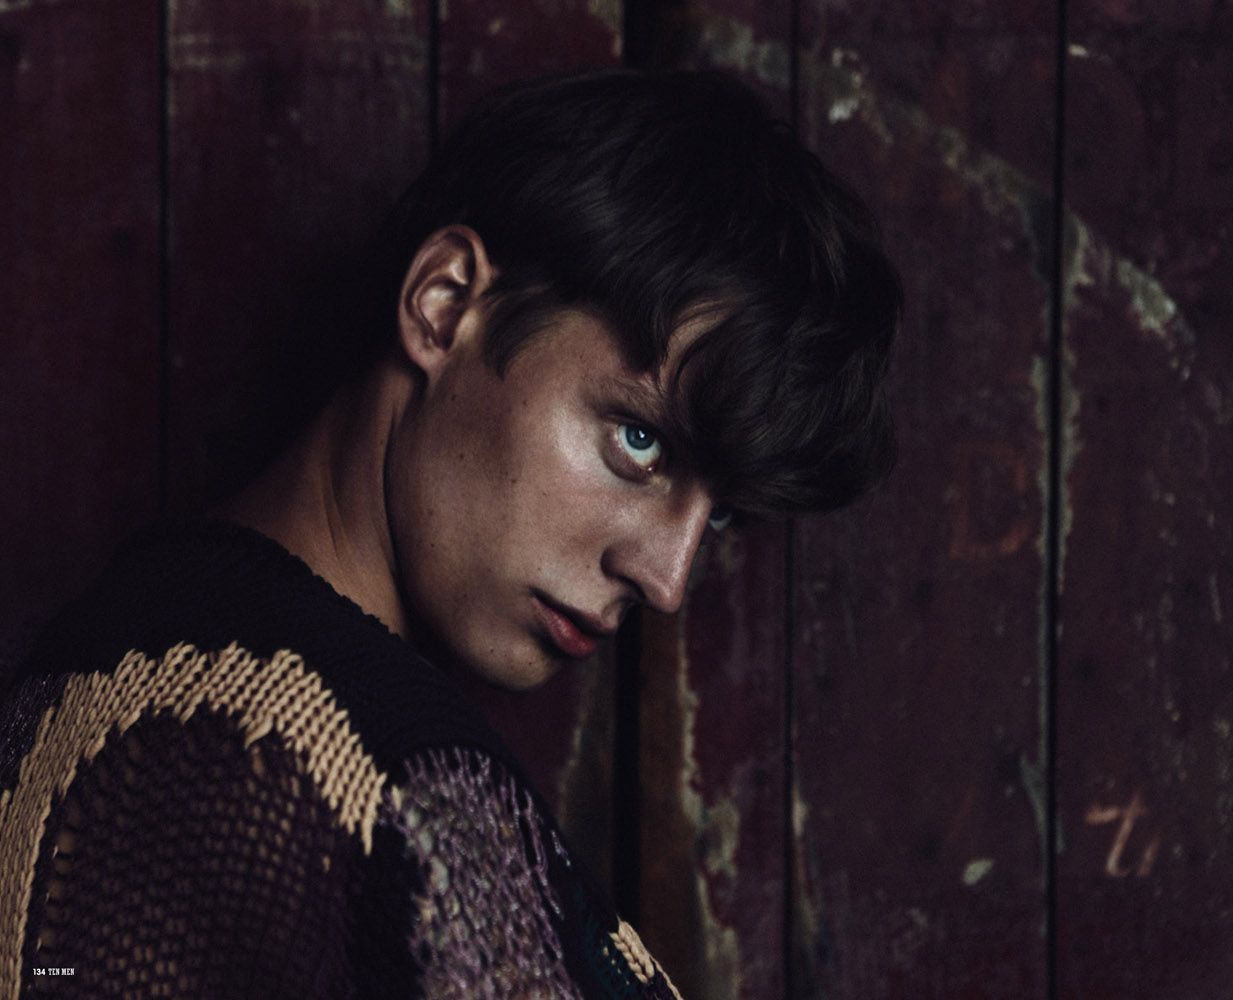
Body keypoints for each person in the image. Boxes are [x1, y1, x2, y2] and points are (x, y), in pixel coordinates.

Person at [0, 68, 899, 998]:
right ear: (444, 303)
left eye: (725, 515)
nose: (666, 578)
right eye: (640, 442)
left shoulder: (105, 660)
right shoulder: (353, 772)